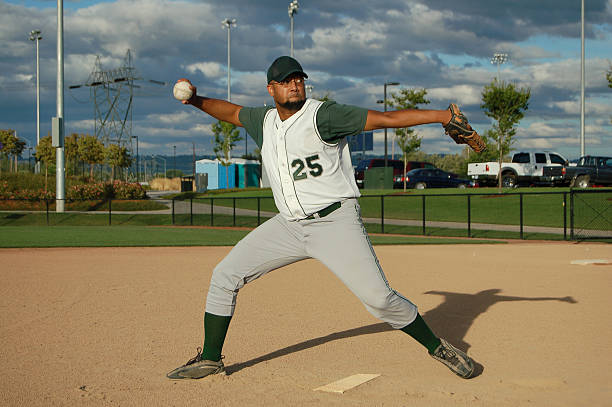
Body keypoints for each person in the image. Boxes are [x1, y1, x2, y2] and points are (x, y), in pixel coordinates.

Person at [167, 56, 476, 380]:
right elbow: (230, 112)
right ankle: (211, 358)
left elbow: (384, 119)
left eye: (298, 78)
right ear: (271, 88)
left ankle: (437, 346)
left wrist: (442, 115)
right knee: (224, 275)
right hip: (288, 225)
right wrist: (196, 100)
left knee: (379, 299)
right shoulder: (265, 120)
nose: (294, 84)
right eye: (286, 80)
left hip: (334, 223)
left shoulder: (324, 115)